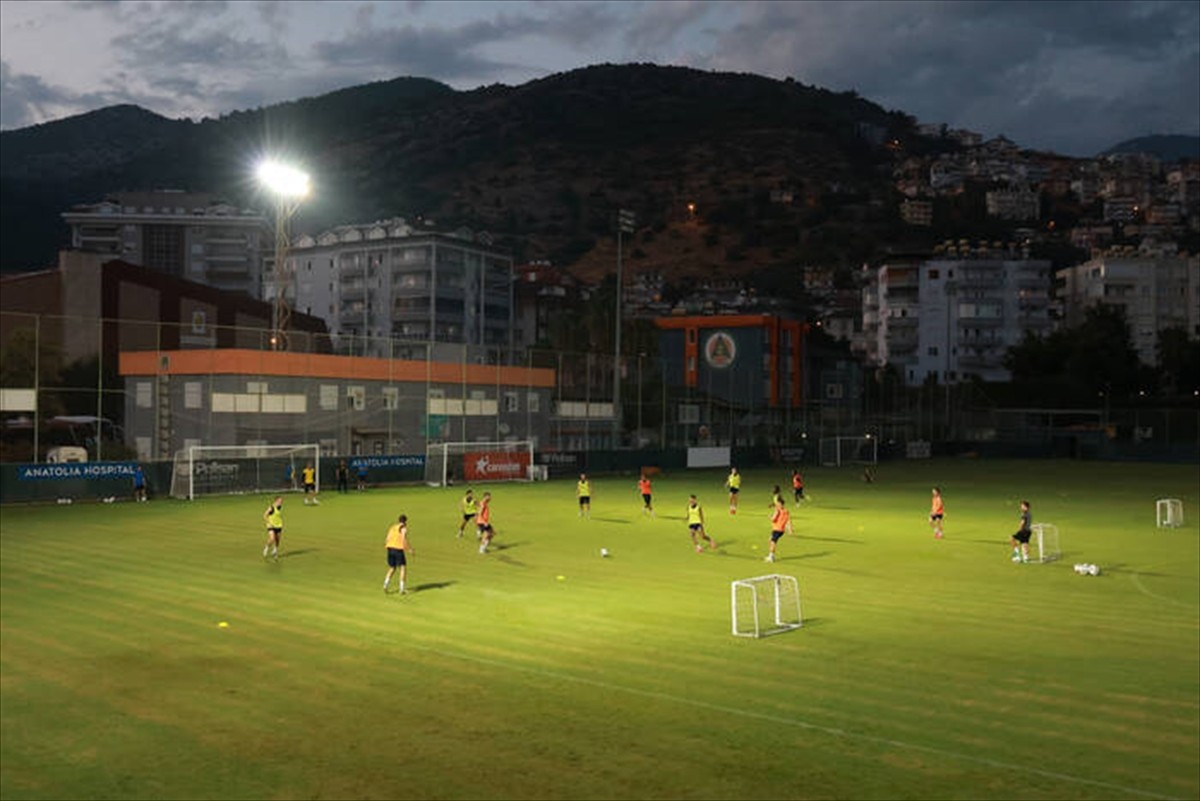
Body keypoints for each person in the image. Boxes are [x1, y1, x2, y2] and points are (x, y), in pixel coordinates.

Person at [383, 514, 412, 594]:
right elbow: (403, 540)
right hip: (398, 549)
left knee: (392, 568)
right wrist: (409, 549)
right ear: (405, 521)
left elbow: (387, 539)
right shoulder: (403, 528)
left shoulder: (392, 527)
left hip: (389, 548)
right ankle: (402, 589)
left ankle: (385, 585)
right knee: (403, 568)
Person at [765, 497, 793, 563]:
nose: (777, 504)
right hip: (781, 530)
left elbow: (773, 519)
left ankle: (771, 557)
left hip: (777, 529)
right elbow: (788, 521)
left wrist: (770, 517)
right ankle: (771, 555)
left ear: (780, 504)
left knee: (773, 542)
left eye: (778, 503)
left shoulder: (778, 510)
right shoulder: (786, 511)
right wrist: (790, 529)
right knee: (770, 540)